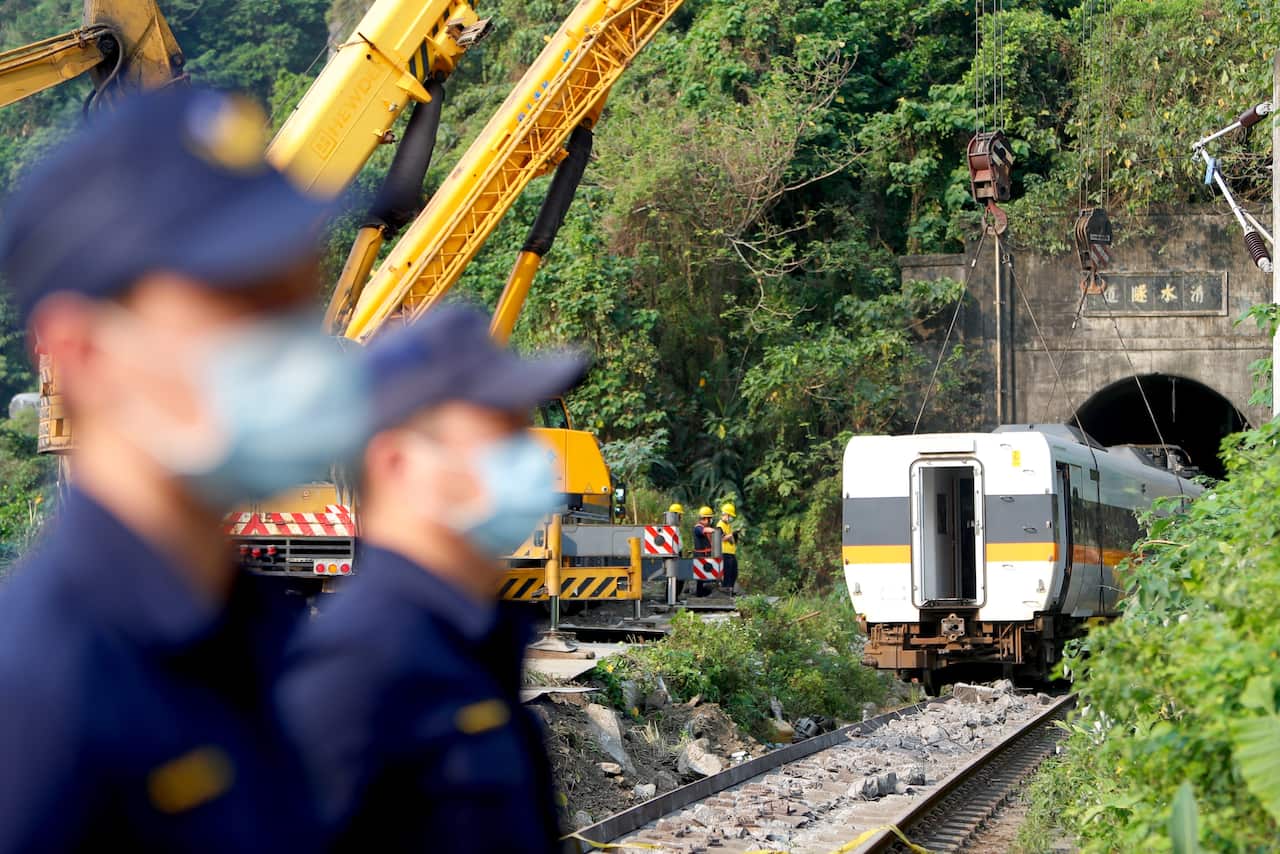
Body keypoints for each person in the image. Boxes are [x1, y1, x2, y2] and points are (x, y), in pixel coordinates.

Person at [0, 88, 367, 851]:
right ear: (81, 350)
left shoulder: (264, 637)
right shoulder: (35, 697)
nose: (297, 349)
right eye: (241, 301)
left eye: (297, 301)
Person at [278, 305, 587, 852]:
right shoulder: (353, 675)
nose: (532, 459)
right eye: (500, 437)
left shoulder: (473, 645)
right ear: (397, 464)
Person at [692, 505, 718, 596]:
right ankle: (699, 594)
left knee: (706, 574)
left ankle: (703, 593)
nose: (711, 521)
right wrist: (713, 531)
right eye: (710, 518)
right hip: (700, 556)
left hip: (706, 555)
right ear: (705, 518)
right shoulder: (698, 528)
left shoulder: (703, 528)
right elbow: (703, 530)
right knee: (700, 576)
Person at [718, 502, 739, 594]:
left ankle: (730, 589)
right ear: (726, 515)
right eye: (730, 516)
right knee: (727, 573)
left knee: (734, 573)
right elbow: (722, 538)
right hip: (725, 552)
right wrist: (732, 534)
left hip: (731, 552)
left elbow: (730, 538)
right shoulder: (720, 525)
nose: (731, 518)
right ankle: (726, 590)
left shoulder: (728, 525)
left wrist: (735, 536)